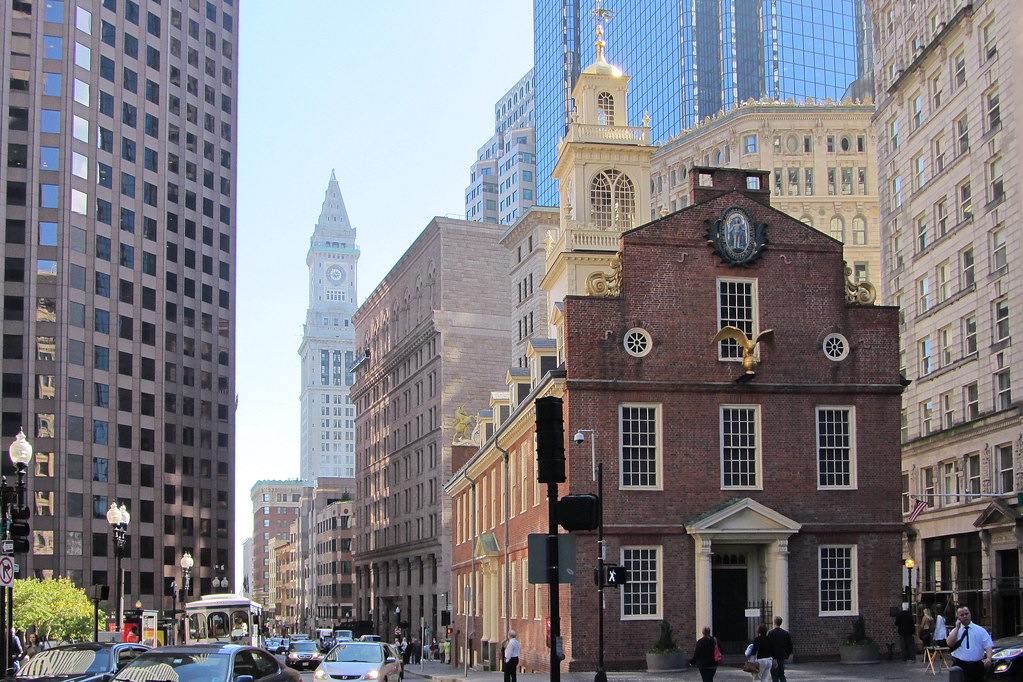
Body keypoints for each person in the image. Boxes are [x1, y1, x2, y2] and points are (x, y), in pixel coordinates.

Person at [946, 606, 993, 682]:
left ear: (970, 614)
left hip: (977, 666)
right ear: (958, 617)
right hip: (960, 665)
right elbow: (949, 643)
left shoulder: (980, 630)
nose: (965, 616)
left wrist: (989, 658)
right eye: (962, 615)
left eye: (966, 614)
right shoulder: (955, 631)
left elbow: (988, 645)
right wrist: (957, 628)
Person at [767, 616, 793, 682]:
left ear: (774, 622)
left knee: (774, 675)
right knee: (781, 674)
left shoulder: (770, 633)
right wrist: (786, 655)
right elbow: (790, 646)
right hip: (782, 656)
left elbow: (769, 646)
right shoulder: (786, 633)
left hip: (773, 657)